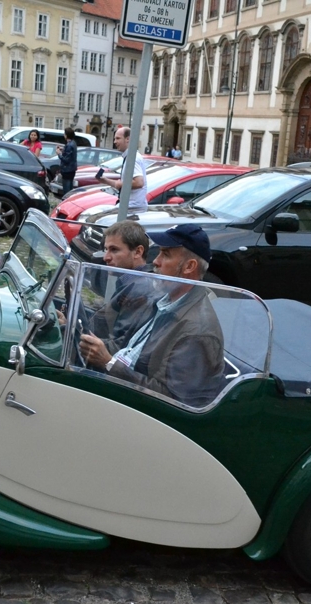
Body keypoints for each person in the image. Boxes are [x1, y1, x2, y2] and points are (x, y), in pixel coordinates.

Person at [78, 224, 225, 406]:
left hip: (135, 410)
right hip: (119, 390)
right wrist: (79, 335)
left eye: (166, 254)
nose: (155, 261)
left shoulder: (197, 331)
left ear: (189, 266)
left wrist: (108, 363)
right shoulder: (163, 299)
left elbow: (171, 401)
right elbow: (127, 346)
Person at [89, 220, 155, 346]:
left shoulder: (140, 289)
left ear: (138, 252)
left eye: (114, 250)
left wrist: (80, 332)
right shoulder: (129, 281)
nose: (106, 258)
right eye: (106, 249)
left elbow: (121, 341)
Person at [98, 126, 148, 214]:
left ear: (128, 139)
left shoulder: (133, 158)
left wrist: (120, 183)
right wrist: (105, 180)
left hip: (132, 208)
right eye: (114, 139)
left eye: (118, 138)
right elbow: (121, 184)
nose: (115, 142)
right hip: (130, 206)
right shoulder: (130, 156)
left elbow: (139, 182)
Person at [56, 128, 78, 199]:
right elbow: (70, 154)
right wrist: (63, 149)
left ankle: (66, 202)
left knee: (66, 190)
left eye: (64, 134)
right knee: (70, 188)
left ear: (66, 135)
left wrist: (59, 154)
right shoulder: (73, 143)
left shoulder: (69, 145)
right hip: (72, 169)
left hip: (67, 170)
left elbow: (66, 159)